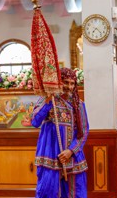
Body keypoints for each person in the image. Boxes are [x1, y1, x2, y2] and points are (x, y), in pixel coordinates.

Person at [31, 67, 89, 198]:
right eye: (65, 82)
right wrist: (47, 102)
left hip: (73, 158)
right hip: (50, 156)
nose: (69, 86)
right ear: (59, 82)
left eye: (72, 83)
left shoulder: (79, 104)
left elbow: (84, 131)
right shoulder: (47, 99)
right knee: (48, 192)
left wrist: (71, 151)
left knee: (76, 193)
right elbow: (35, 122)